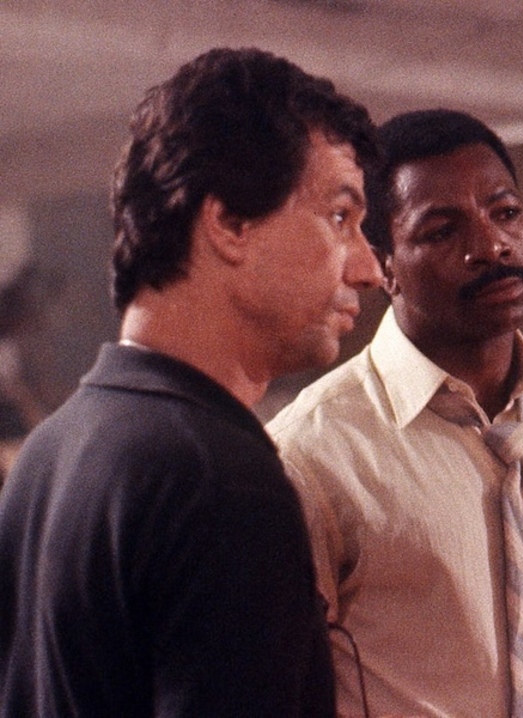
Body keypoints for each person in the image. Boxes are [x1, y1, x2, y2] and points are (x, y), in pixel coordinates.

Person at [0, 47, 383, 717]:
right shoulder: (219, 479)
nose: (369, 268)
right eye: (339, 218)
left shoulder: (51, 451)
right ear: (229, 223)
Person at [266, 109, 523, 717]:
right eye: (441, 231)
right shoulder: (310, 457)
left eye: (505, 213)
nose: (491, 246)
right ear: (384, 265)